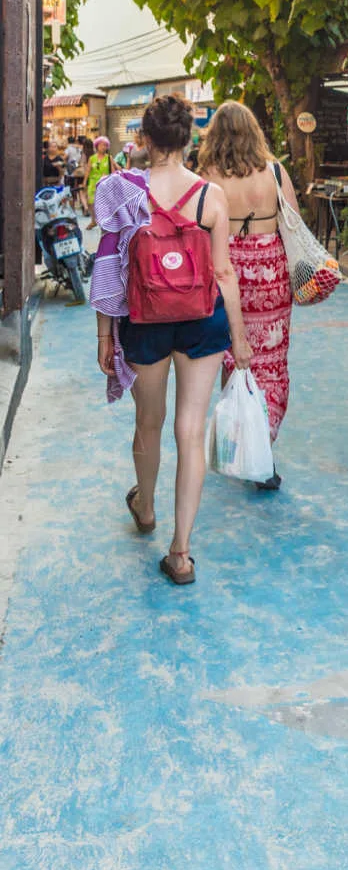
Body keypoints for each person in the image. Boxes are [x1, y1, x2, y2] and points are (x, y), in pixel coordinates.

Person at [91, 95, 252, 585]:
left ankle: (145, 508)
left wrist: (104, 334)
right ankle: (181, 552)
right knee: (189, 429)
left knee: (149, 420)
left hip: (145, 319)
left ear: (144, 139)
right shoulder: (211, 196)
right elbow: (223, 272)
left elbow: (107, 270)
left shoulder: (122, 190)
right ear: (188, 140)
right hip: (202, 319)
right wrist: (240, 339)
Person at [199, 100, 299, 488]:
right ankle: (264, 445)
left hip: (229, 276)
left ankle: (241, 441)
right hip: (272, 275)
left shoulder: (208, 177)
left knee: (235, 359)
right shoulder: (274, 170)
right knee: (272, 363)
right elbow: (293, 222)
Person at [85, 136, 114, 228]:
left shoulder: (109, 157)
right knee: (91, 202)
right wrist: (84, 182)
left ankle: (104, 221)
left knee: (104, 203)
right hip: (93, 183)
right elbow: (88, 170)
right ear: (97, 146)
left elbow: (113, 171)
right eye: (102, 145)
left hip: (105, 183)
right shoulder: (92, 158)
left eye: (105, 145)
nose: (103, 147)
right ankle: (93, 220)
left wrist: (112, 180)